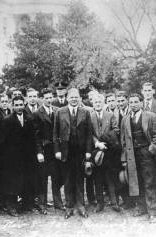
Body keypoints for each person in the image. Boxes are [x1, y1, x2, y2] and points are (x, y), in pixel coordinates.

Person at [120, 93, 156, 222]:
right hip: (132, 155)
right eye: (131, 102)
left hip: (147, 154)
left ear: (141, 103)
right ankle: (142, 207)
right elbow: (123, 141)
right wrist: (124, 158)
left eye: (135, 102)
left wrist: (150, 151)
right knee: (136, 181)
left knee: (149, 182)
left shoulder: (151, 116)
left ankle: (153, 212)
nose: (133, 104)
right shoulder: (125, 119)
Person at [0, 96, 40, 216]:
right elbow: (2, 141)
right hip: (12, 158)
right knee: (12, 183)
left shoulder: (29, 119)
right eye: (16, 105)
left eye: (21, 105)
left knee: (26, 180)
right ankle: (11, 206)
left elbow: (33, 138)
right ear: (13, 106)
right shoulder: (7, 120)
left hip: (27, 157)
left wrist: (35, 153)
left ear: (23, 104)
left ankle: (26, 205)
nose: (19, 107)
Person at [53, 88, 93, 219]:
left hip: (80, 152)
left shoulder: (85, 112)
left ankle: (81, 205)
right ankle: (69, 206)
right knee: (68, 179)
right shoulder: (60, 112)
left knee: (80, 179)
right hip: (66, 151)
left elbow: (89, 134)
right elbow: (55, 134)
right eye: (72, 97)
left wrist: (88, 152)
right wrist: (57, 150)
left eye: (76, 97)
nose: (74, 99)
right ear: (67, 98)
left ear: (79, 98)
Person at [89, 93, 120, 213]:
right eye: (95, 102)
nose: (97, 104)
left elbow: (116, 130)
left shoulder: (110, 115)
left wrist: (104, 140)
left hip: (109, 151)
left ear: (103, 103)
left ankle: (114, 202)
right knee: (98, 178)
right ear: (93, 104)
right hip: (96, 151)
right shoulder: (89, 116)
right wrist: (97, 143)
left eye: (100, 102)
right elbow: (89, 133)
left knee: (110, 177)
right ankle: (100, 203)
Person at [34, 89, 61, 211]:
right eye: (46, 98)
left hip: (55, 149)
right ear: (42, 98)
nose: (49, 100)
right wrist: (39, 152)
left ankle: (58, 202)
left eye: (50, 97)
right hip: (44, 150)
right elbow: (36, 135)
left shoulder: (57, 111)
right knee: (42, 178)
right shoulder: (37, 113)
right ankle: (42, 203)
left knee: (56, 176)